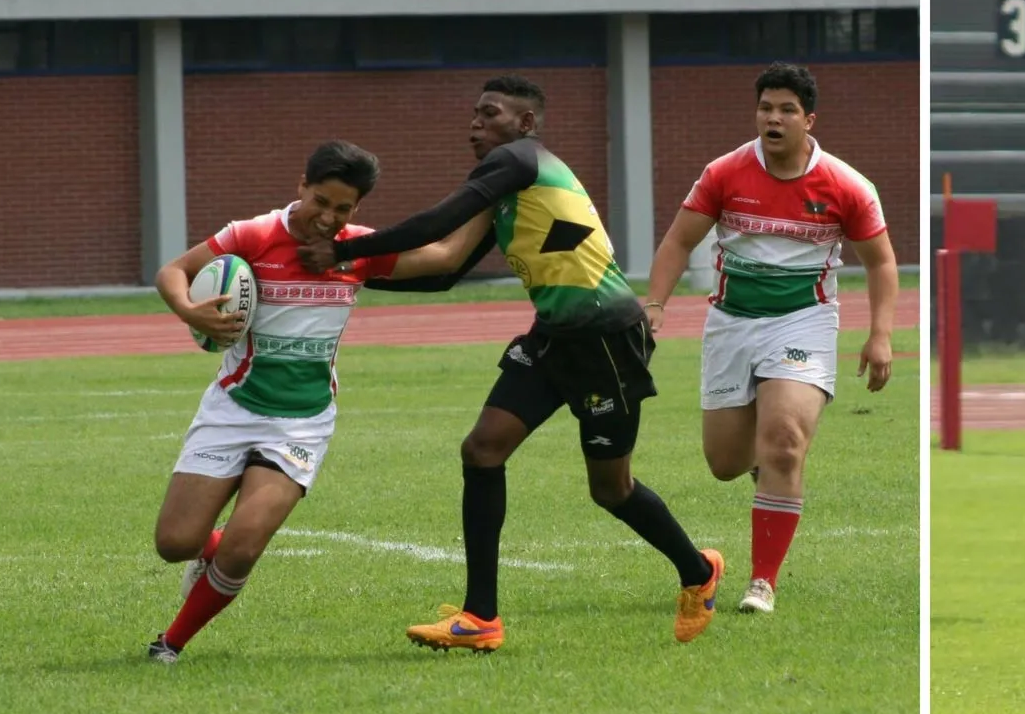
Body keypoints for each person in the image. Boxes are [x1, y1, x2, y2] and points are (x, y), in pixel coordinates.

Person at [297, 74, 723, 651]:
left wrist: (344, 249)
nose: (475, 122)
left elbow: (437, 223)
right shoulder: (505, 187)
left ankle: (699, 572)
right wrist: (350, 276)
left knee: (611, 490)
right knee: (482, 449)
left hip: (605, 338)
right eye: (473, 113)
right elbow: (446, 266)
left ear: (524, 124)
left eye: (488, 113)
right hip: (554, 337)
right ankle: (481, 618)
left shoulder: (522, 159)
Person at [147, 141, 493, 662]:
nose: (328, 218)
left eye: (343, 209)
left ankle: (169, 644)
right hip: (232, 410)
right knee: (175, 543)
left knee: (246, 546)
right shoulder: (254, 234)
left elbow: (444, 257)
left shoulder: (356, 250)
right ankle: (210, 548)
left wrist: (492, 196)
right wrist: (190, 311)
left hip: (301, 425)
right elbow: (173, 271)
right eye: (321, 202)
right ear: (301, 187)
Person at [643, 62, 898, 615]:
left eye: (786, 110)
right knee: (725, 462)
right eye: (765, 108)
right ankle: (769, 469)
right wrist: (655, 305)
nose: (773, 119)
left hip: (803, 322)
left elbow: (879, 261)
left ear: (809, 119)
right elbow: (676, 242)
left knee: (783, 441)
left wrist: (880, 335)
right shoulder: (725, 173)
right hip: (732, 324)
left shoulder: (846, 184)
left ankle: (762, 582)